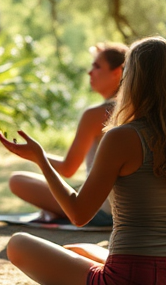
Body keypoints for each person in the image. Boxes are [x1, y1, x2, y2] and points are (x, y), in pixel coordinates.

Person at [0, 36, 166, 285]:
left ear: (132, 79)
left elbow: (78, 214)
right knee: (80, 249)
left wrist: (40, 159)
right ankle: (69, 283)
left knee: (18, 244)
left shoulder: (122, 137)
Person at [7, 42, 127, 226]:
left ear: (117, 72)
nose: (89, 72)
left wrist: (35, 155)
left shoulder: (96, 115)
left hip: (100, 212)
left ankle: (58, 212)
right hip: (130, 210)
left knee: (17, 181)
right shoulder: (136, 109)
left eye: (96, 66)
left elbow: (68, 168)